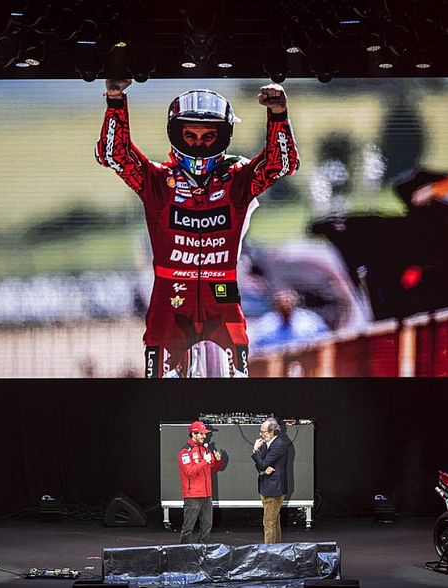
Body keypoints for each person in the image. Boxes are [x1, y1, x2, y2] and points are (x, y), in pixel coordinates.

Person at [95, 78, 299, 378]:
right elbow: (114, 155)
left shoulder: (237, 178)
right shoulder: (158, 181)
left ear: (223, 136)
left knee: (236, 391)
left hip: (223, 298)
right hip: (169, 301)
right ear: (175, 134)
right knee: (162, 392)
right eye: (190, 135)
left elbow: (282, 164)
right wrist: (115, 100)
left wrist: (278, 114)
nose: (199, 143)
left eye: (208, 136)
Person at [177, 421, 223, 544]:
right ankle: (183, 551)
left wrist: (218, 460)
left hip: (207, 495)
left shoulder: (205, 449)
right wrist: (204, 461)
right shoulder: (185, 452)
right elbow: (189, 472)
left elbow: (214, 468)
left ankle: (203, 550)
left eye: (205, 434)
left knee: (207, 526)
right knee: (188, 527)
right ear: (194, 434)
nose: (204, 436)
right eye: (202, 434)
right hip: (193, 496)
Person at [251, 418, 290, 544]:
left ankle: (269, 551)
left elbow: (261, 463)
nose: (260, 434)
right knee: (274, 520)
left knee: (269, 522)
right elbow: (260, 465)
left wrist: (255, 450)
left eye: (263, 432)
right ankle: (276, 548)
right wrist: (263, 469)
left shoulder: (279, 445)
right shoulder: (267, 444)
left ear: (272, 432)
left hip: (274, 488)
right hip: (267, 486)